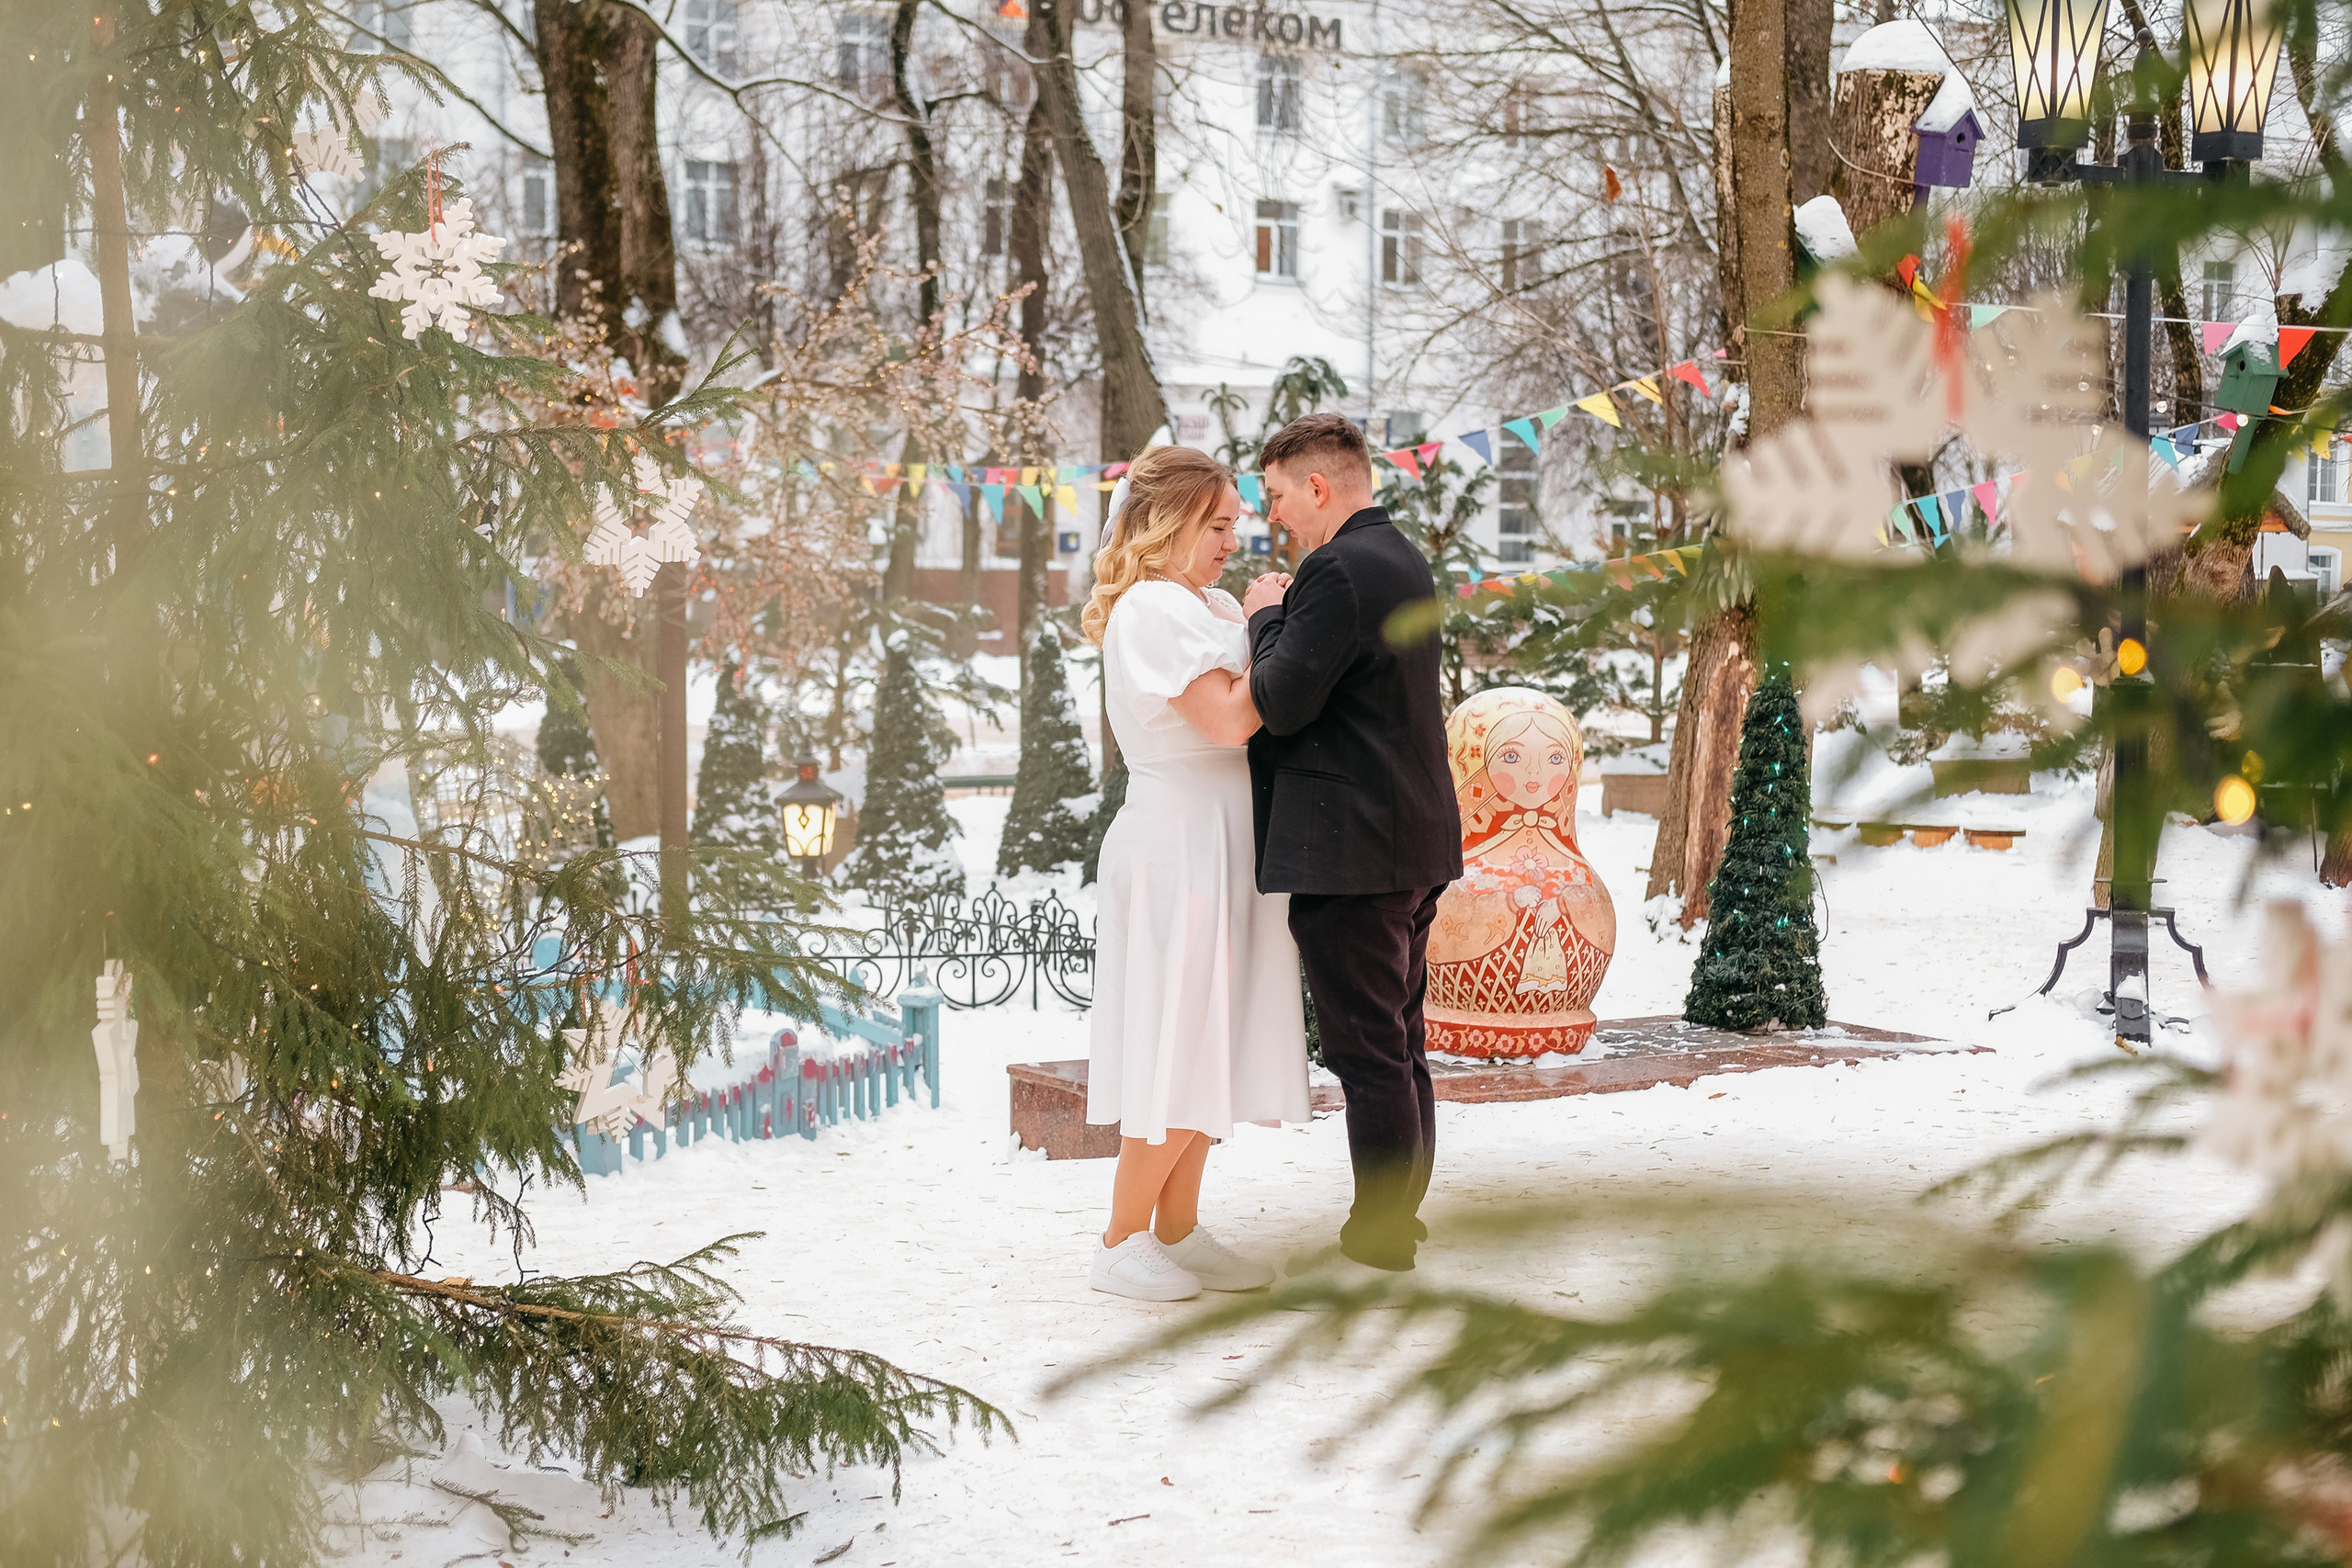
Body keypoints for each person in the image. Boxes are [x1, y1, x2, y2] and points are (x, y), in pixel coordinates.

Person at [1082, 446, 1311, 1303]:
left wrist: (1256, 626)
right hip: (1179, 841)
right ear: (1169, 522)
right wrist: (1269, 632)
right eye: (1217, 524)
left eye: (1234, 523)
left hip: (1232, 838)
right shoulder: (1149, 609)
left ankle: (1176, 1226)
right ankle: (1119, 1239)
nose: (1231, 539)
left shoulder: (1207, 603)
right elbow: (1222, 720)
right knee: (1179, 1039)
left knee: (1217, 1035)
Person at [1241, 412, 1461, 1283]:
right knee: (1399, 1044)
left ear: (1320, 487)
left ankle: (1379, 1241)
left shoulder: (1332, 569)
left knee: (1369, 1055)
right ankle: (1397, 1215)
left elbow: (1282, 699)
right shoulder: (1402, 556)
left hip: (1353, 851)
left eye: (1279, 495)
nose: (1276, 515)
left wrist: (1267, 614)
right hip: (1408, 839)